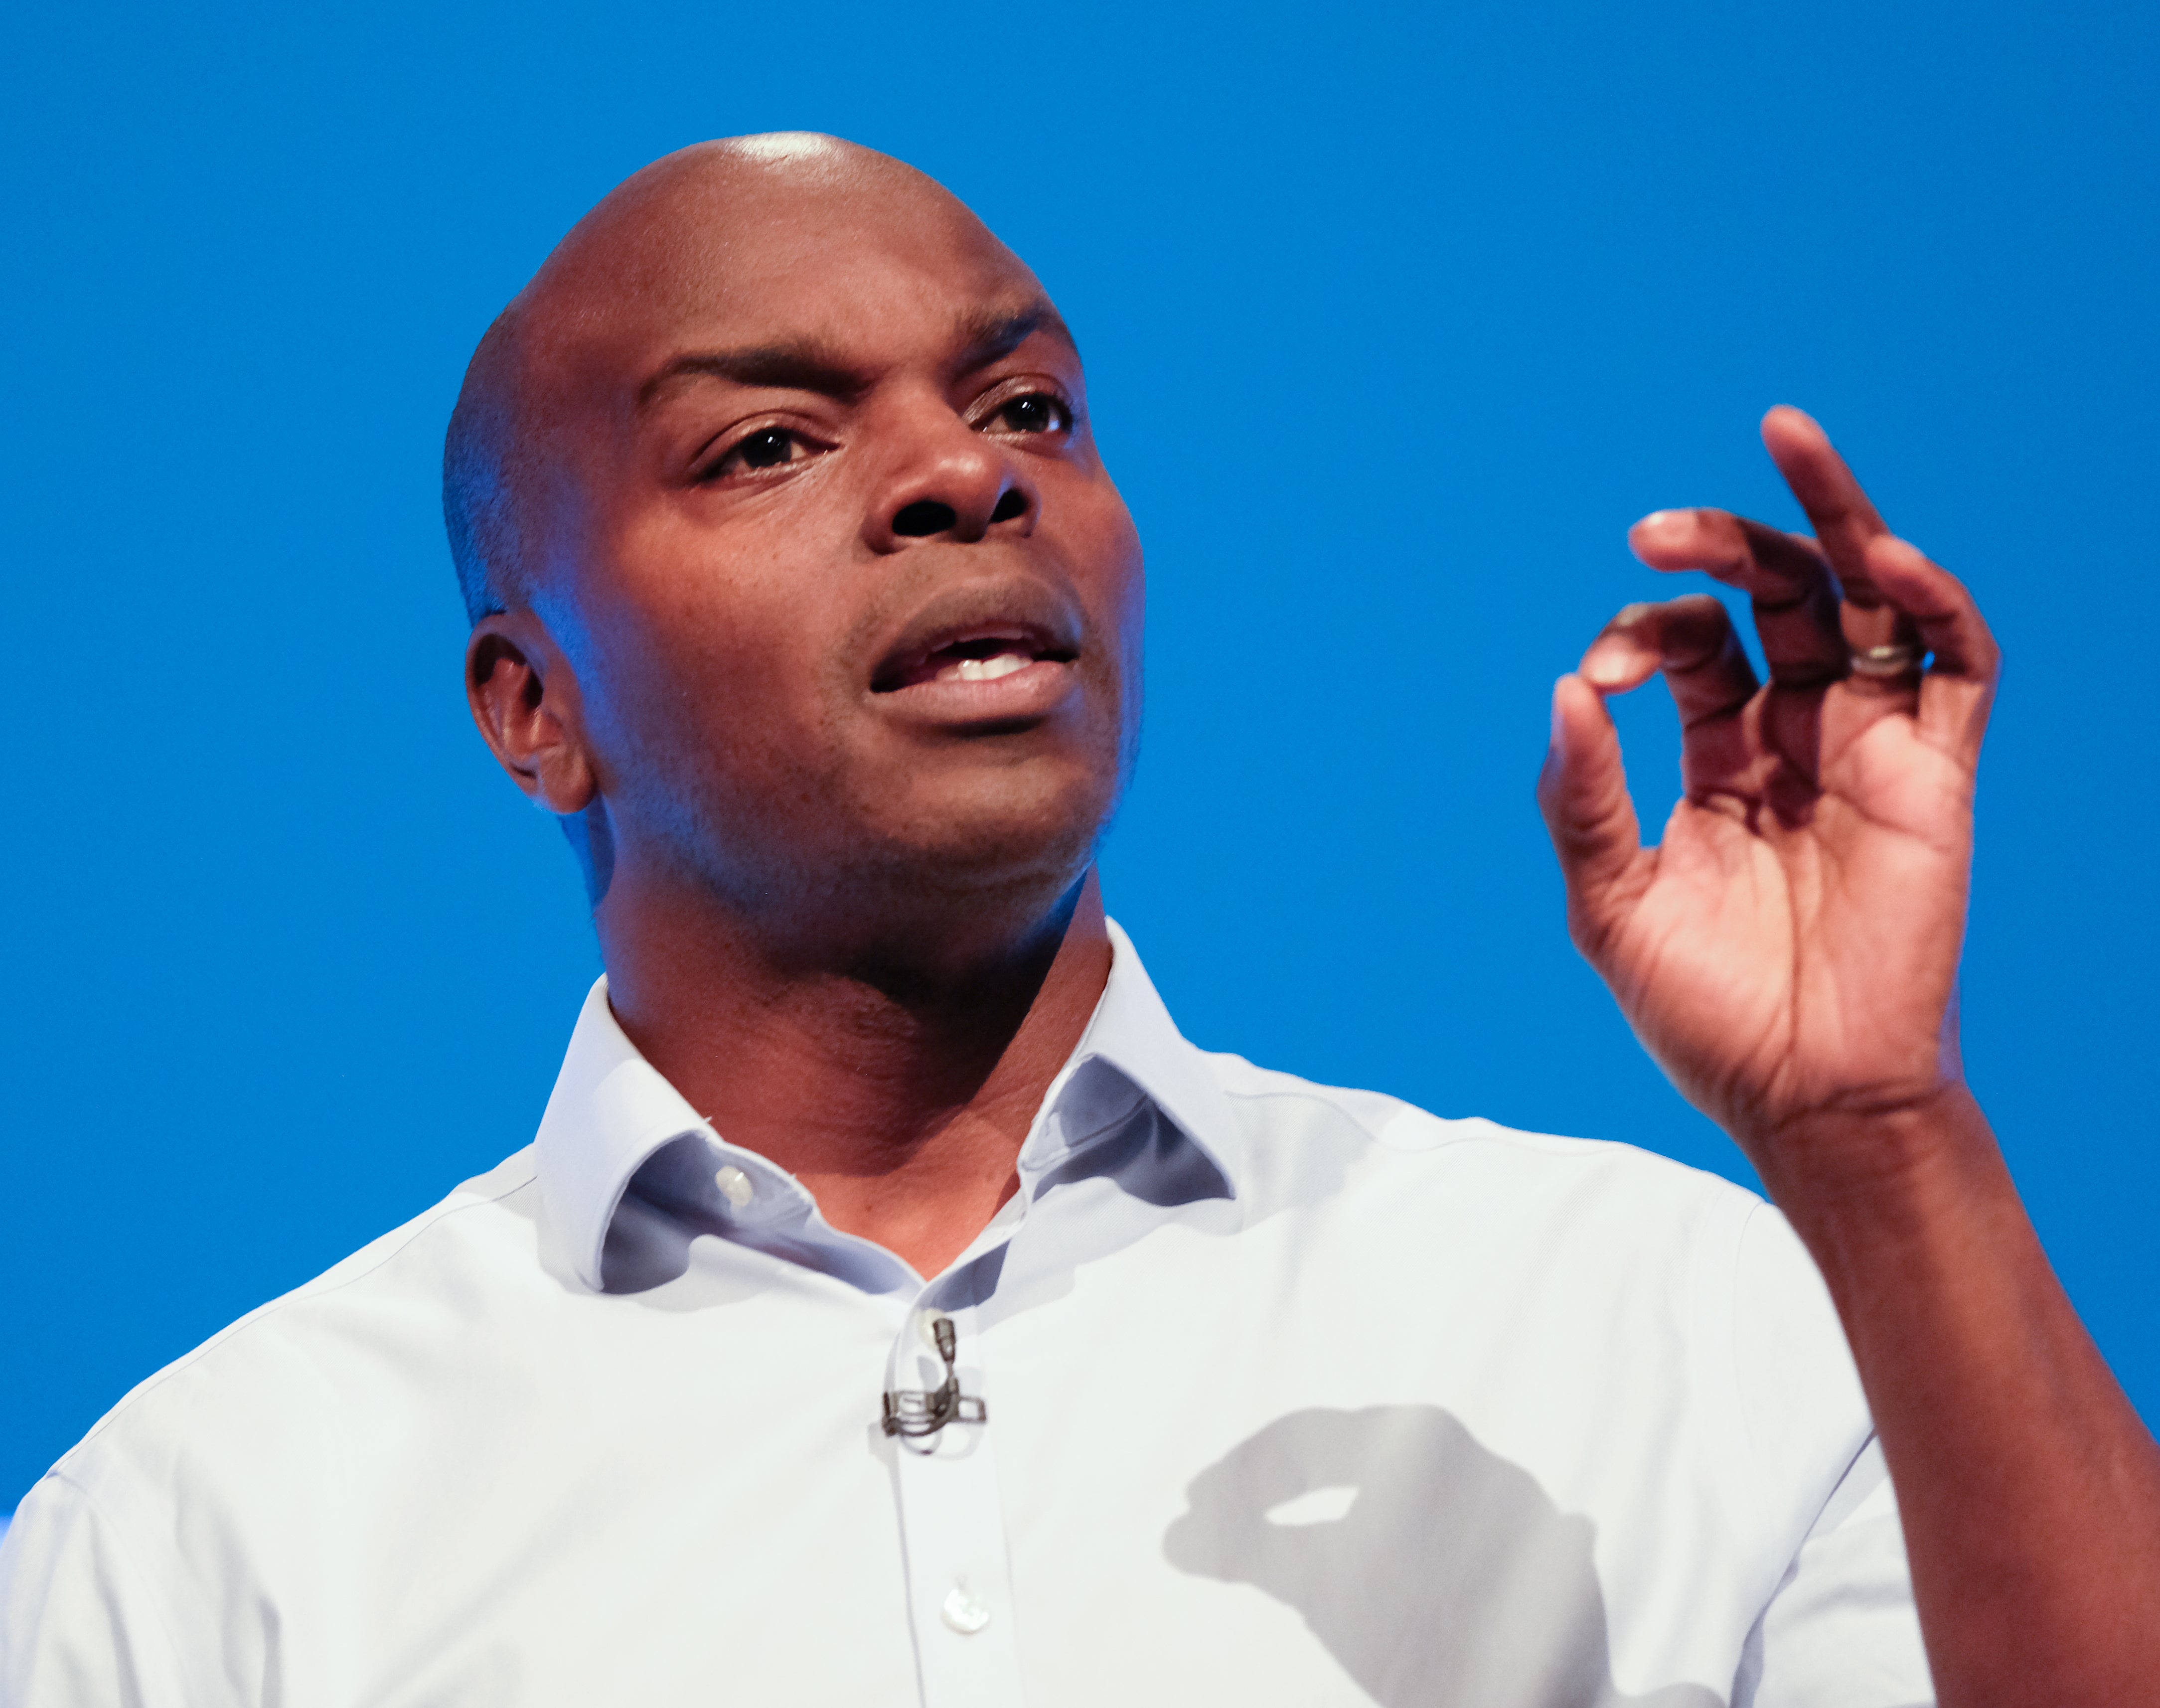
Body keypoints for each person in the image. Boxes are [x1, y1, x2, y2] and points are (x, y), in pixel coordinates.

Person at [1, 132, 2153, 1708]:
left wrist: (1878, 1138)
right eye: (764, 443)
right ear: (534, 708)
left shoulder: (1677, 1327)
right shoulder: (206, 1539)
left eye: (1024, 405)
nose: (963, 474)